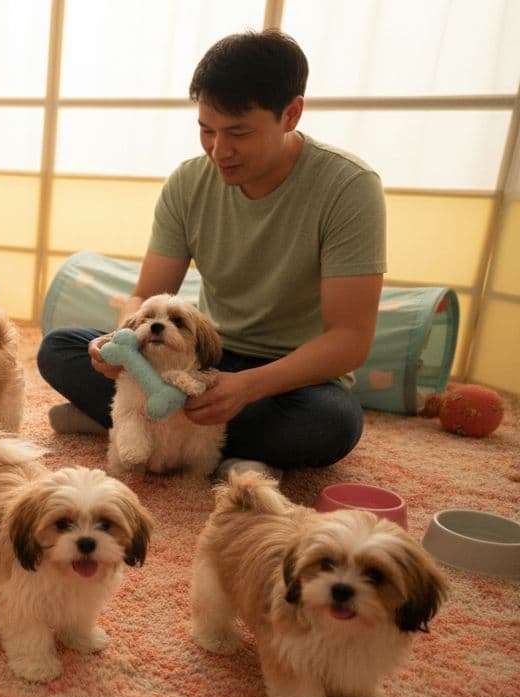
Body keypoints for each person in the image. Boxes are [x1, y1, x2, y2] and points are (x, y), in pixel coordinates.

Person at [37, 30, 385, 479]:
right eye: (206, 130)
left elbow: (349, 338)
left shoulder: (349, 187)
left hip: (287, 377)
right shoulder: (187, 182)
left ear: (291, 114)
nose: (219, 151)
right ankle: (175, 430)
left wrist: (247, 387)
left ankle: (133, 422)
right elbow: (145, 294)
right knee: (58, 348)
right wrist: (119, 342)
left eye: (238, 132)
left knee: (332, 423)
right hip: (199, 354)